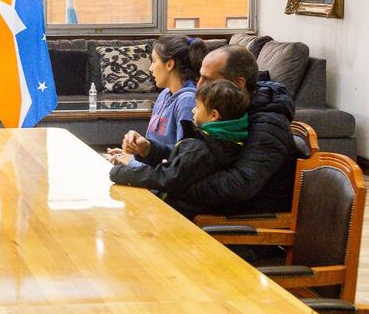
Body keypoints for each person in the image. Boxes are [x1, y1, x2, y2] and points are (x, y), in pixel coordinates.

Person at [124, 45, 297, 215]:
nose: (198, 85)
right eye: (200, 77)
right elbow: (196, 158)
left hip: (241, 215)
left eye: (208, 80)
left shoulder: (269, 124)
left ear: (238, 83)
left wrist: (174, 180)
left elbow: (239, 186)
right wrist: (150, 150)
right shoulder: (227, 113)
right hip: (207, 204)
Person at [109, 79, 249, 203]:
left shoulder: (201, 148)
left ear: (214, 115)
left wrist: (121, 173)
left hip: (175, 210)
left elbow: (167, 177)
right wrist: (149, 149)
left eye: (197, 106)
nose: (193, 110)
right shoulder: (230, 141)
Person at [108, 35, 207, 167]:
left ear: (170, 64)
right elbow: (155, 149)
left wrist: (131, 163)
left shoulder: (187, 101)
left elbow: (181, 163)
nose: (150, 68)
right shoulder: (165, 94)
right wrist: (135, 154)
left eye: (154, 61)